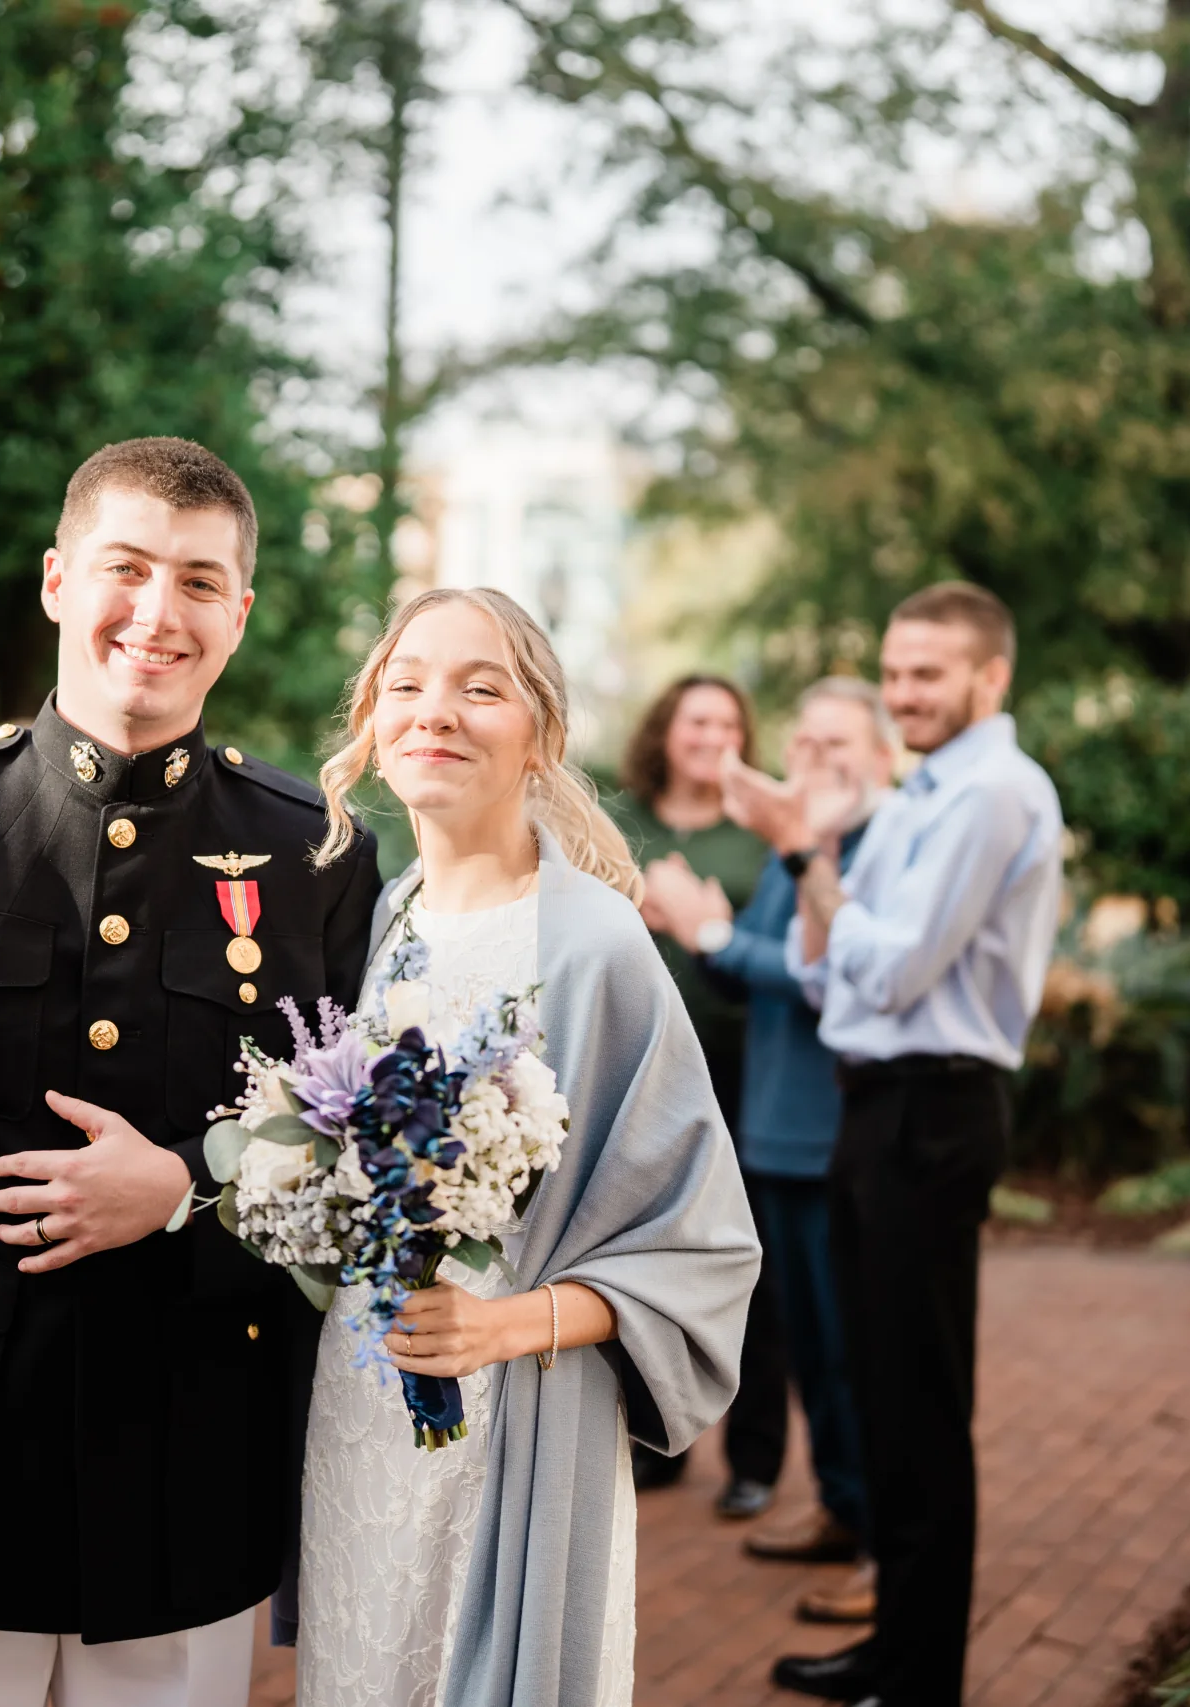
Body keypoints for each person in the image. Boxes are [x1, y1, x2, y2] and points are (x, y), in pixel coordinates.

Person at [0, 438, 385, 1707]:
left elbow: (351, 1173)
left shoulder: (313, 857)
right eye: (128, 568)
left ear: (241, 615)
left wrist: (181, 1200)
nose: (159, 613)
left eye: (201, 583)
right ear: (57, 581)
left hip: (190, 1467)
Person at [295, 587, 762, 1707]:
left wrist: (503, 1325)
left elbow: (700, 1246)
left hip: (516, 1411)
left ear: (541, 734)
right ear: (370, 722)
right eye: (405, 686)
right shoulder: (376, 922)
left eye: (480, 686)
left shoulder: (594, 943)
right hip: (359, 1407)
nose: (435, 712)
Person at [771, 583, 1064, 1707]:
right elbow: (824, 965)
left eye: (928, 674)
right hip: (875, 1107)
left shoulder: (993, 793)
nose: (903, 694)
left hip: (933, 1114)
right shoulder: (922, 791)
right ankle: (892, 1648)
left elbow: (891, 968)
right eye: (894, 672)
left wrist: (811, 868)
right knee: (877, 1388)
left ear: (991, 678)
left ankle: (922, 1675)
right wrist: (825, 882)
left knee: (922, 1404)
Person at [648, 678, 893, 1626]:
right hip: (776, 1132)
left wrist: (705, 927)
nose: (817, 760)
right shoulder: (798, 850)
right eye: (806, 742)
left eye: (839, 744)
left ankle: (880, 1540)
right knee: (816, 1348)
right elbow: (757, 962)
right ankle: (838, 1506)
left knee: (855, 1355)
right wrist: (707, 930)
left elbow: (823, 976)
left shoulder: (869, 849)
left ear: (879, 753)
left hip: (836, 1134)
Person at [604, 675, 784, 1513]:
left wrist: (707, 927)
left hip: (742, 1069)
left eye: (728, 721)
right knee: (643, 1258)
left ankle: (756, 1457)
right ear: (665, 731)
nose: (712, 734)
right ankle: (660, 1439)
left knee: (749, 1262)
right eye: (696, 719)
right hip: (636, 1069)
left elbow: (781, 958)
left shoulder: (761, 837)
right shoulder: (620, 821)